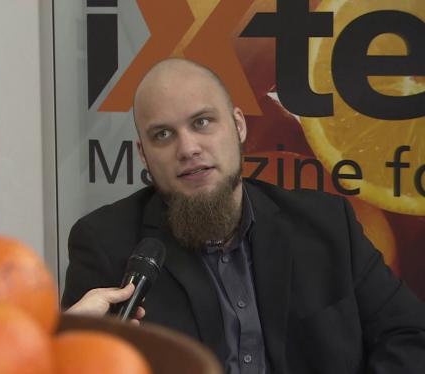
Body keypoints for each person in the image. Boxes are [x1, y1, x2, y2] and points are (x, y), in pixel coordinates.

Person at [62, 58, 425, 373]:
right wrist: (69, 351)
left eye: (202, 122)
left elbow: (410, 335)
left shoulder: (328, 224)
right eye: (163, 134)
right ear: (143, 154)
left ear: (238, 126)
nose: (188, 148)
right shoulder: (104, 244)